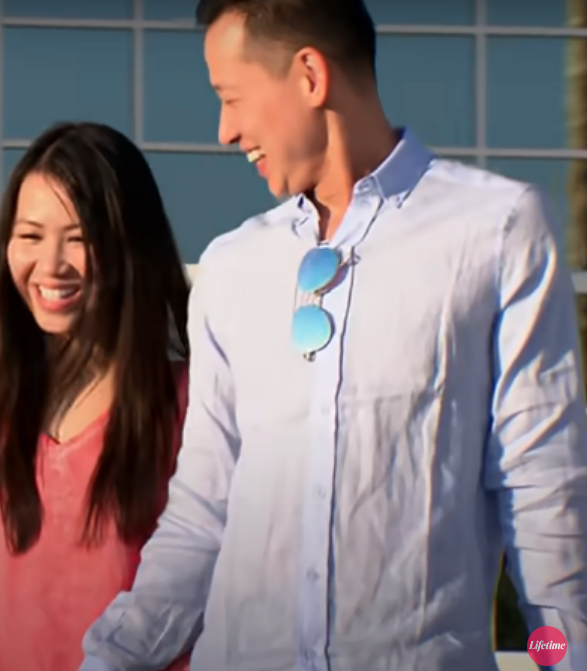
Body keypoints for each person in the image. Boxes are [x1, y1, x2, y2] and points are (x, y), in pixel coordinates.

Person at [78, 0, 587, 669]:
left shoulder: (497, 231)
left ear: (310, 76)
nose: (225, 131)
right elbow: (199, 516)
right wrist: (109, 660)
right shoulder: (230, 268)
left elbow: (543, 493)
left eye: (231, 98)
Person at [0, 121, 194, 671]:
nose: (51, 263)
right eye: (30, 236)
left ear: (132, 246)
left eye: (79, 238)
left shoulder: (190, 410)